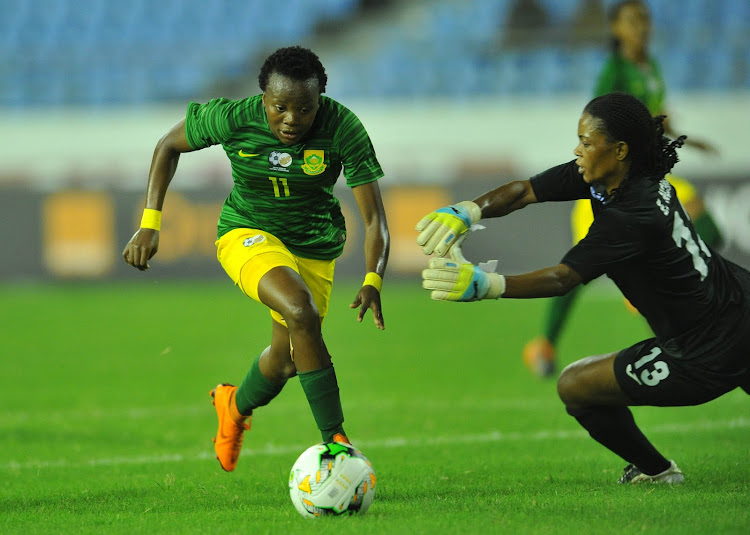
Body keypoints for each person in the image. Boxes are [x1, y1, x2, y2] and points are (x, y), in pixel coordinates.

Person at [417, 91, 750, 484]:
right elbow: (524, 191)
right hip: (740, 301)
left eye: (587, 143)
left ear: (620, 149)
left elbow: (564, 278)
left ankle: (658, 472)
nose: (577, 151)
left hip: (702, 350)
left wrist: (486, 285)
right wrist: (467, 211)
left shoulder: (631, 214)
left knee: (575, 387)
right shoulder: (618, 175)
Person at [122, 46, 390, 472]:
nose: (290, 119)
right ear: (262, 97)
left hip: (313, 244)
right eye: (279, 107)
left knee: (285, 362)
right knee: (299, 310)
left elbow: (375, 219)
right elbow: (167, 145)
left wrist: (374, 279)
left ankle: (233, 405)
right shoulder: (233, 117)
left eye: (304, 108)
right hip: (247, 232)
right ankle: (336, 443)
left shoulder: (343, 127)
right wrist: (150, 221)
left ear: (320, 100)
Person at [521, 0, 723, 377]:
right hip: (615, 181)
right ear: (616, 29)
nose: (642, 26)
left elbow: (660, 116)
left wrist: (689, 141)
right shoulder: (614, 73)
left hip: (648, 175)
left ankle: (679, 325)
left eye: (645, 18)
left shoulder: (651, 67)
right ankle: (544, 344)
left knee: (710, 227)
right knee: (576, 269)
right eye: (632, 20)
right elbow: (595, 124)